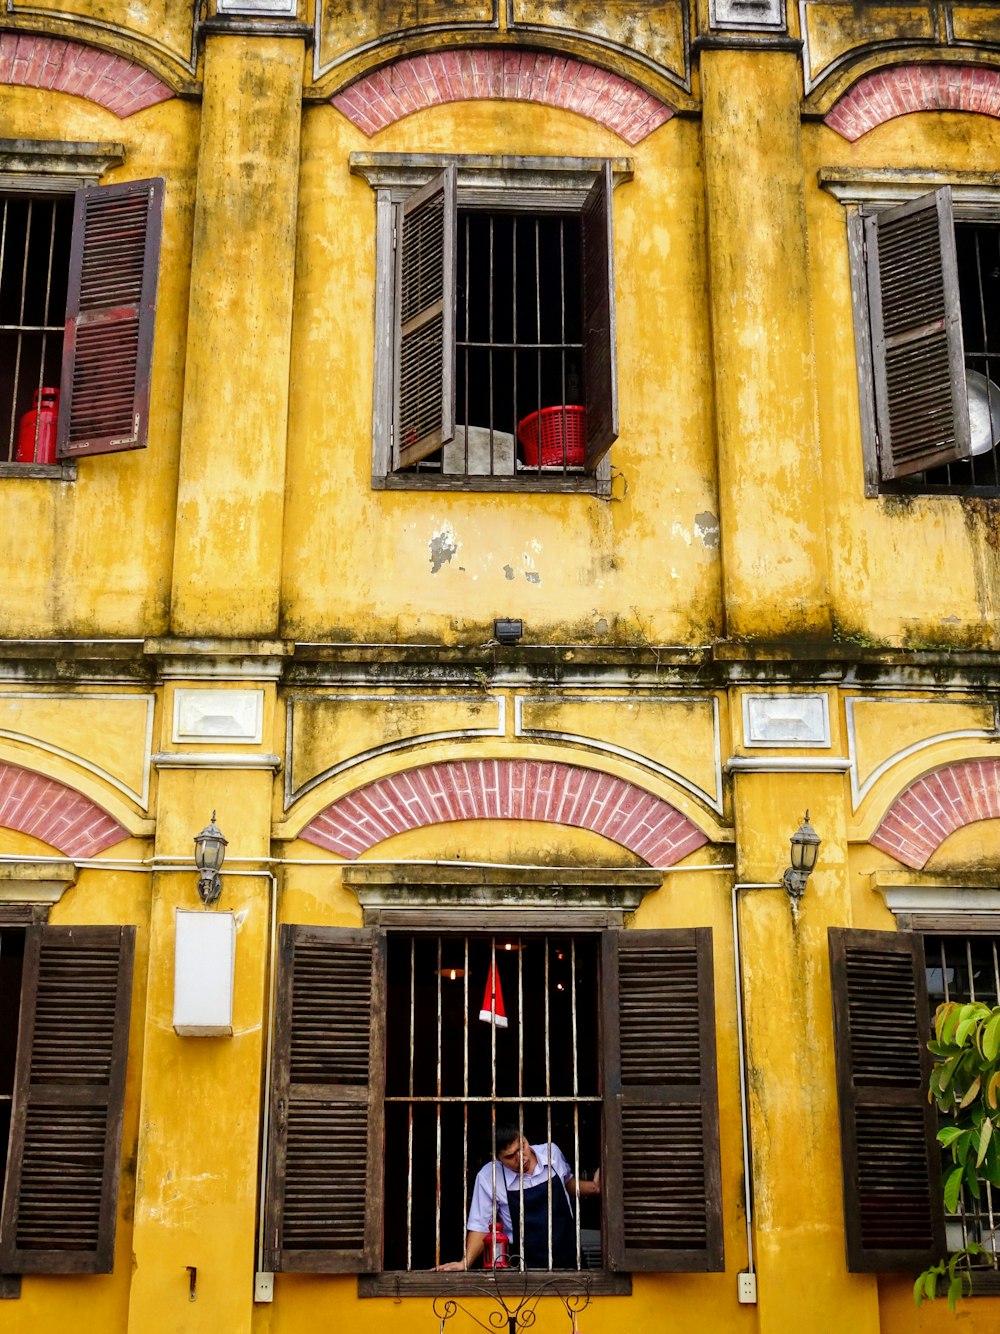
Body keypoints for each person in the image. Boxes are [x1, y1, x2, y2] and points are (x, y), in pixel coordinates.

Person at [437, 1122, 601, 1271]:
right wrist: (465, 1262)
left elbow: (567, 1183)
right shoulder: (489, 1177)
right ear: (496, 1157)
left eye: (522, 1146)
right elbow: (480, 1226)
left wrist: (594, 1188)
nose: (521, 1158)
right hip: (524, 1271)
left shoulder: (552, 1153)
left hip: (571, 1260)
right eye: (510, 1156)